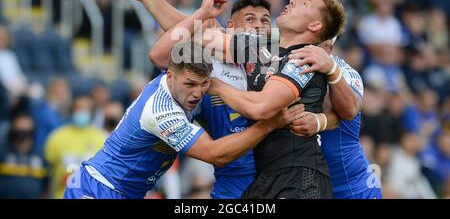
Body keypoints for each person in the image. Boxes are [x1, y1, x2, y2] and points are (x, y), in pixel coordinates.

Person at [151, 0, 346, 198]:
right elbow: (186, 35)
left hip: (299, 176)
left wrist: (214, 85)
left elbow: (260, 107)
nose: (292, 0)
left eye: (304, 2)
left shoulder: (305, 59)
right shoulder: (262, 50)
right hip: (266, 178)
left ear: (315, 25)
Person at [109, 0, 272, 199]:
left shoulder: (275, 52)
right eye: (250, 19)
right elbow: (170, 45)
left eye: (265, 20)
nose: (259, 25)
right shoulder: (209, 65)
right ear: (231, 28)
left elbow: (192, 32)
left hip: (278, 174)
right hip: (234, 183)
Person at [63, 41, 303, 199]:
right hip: (99, 189)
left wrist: (203, 14)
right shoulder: (160, 112)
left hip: (122, 191)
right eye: (190, 84)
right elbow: (216, 154)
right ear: (170, 76)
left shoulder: (182, 86)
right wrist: (269, 124)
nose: (198, 93)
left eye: (204, 84)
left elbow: (190, 39)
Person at [286, 39, 383, 198]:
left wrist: (319, 121)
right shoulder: (282, 60)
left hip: (354, 186)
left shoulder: (343, 70)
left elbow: (350, 110)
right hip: (310, 182)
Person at [44, 96, 106, 199]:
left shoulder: (101, 138)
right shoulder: (57, 136)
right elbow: (47, 170)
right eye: (79, 108)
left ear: (91, 112)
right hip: (61, 195)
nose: (82, 112)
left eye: (86, 109)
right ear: (72, 110)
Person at [0, 112, 48, 198]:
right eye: (19, 130)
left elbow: (46, 184)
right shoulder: (3, 153)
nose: (22, 134)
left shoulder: (40, 155)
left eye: (26, 130)